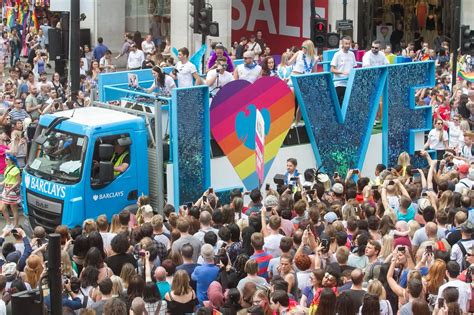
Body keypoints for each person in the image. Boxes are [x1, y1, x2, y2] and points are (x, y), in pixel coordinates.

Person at [330, 36, 357, 105]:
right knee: (338, 104)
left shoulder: (352, 54)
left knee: (348, 104)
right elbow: (332, 69)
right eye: (346, 44)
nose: (348, 46)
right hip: (339, 83)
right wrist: (342, 72)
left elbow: (354, 67)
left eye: (349, 44)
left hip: (349, 83)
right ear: (342, 44)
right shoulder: (337, 54)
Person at [0, 154, 21, 229]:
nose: (5, 160)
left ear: (11, 161)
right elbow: (7, 179)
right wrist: (1, 183)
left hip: (12, 190)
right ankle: (9, 224)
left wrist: (10, 189)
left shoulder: (16, 169)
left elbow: (18, 181)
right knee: (2, 208)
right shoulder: (7, 167)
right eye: (5, 159)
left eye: (7, 159)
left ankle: (16, 226)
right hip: (6, 189)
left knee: (13, 209)